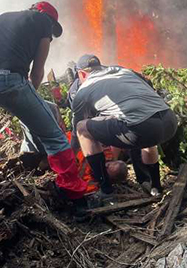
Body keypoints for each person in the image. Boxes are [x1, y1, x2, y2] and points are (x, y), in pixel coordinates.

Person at [0, 2, 90, 205]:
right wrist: (30, 100)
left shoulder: (4, 16)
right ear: (48, 19)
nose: (51, 36)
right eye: (52, 31)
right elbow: (37, 72)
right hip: (10, 82)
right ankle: (72, 194)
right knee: (54, 137)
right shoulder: (43, 21)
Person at [70, 54, 178, 197]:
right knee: (142, 120)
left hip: (143, 129)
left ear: (81, 73)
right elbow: (148, 86)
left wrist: (71, 153)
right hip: (170, 121)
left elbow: (76, 130)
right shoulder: (122, 70)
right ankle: (156, 187)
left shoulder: (84, 90)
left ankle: (106, 190)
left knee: (82, 128)